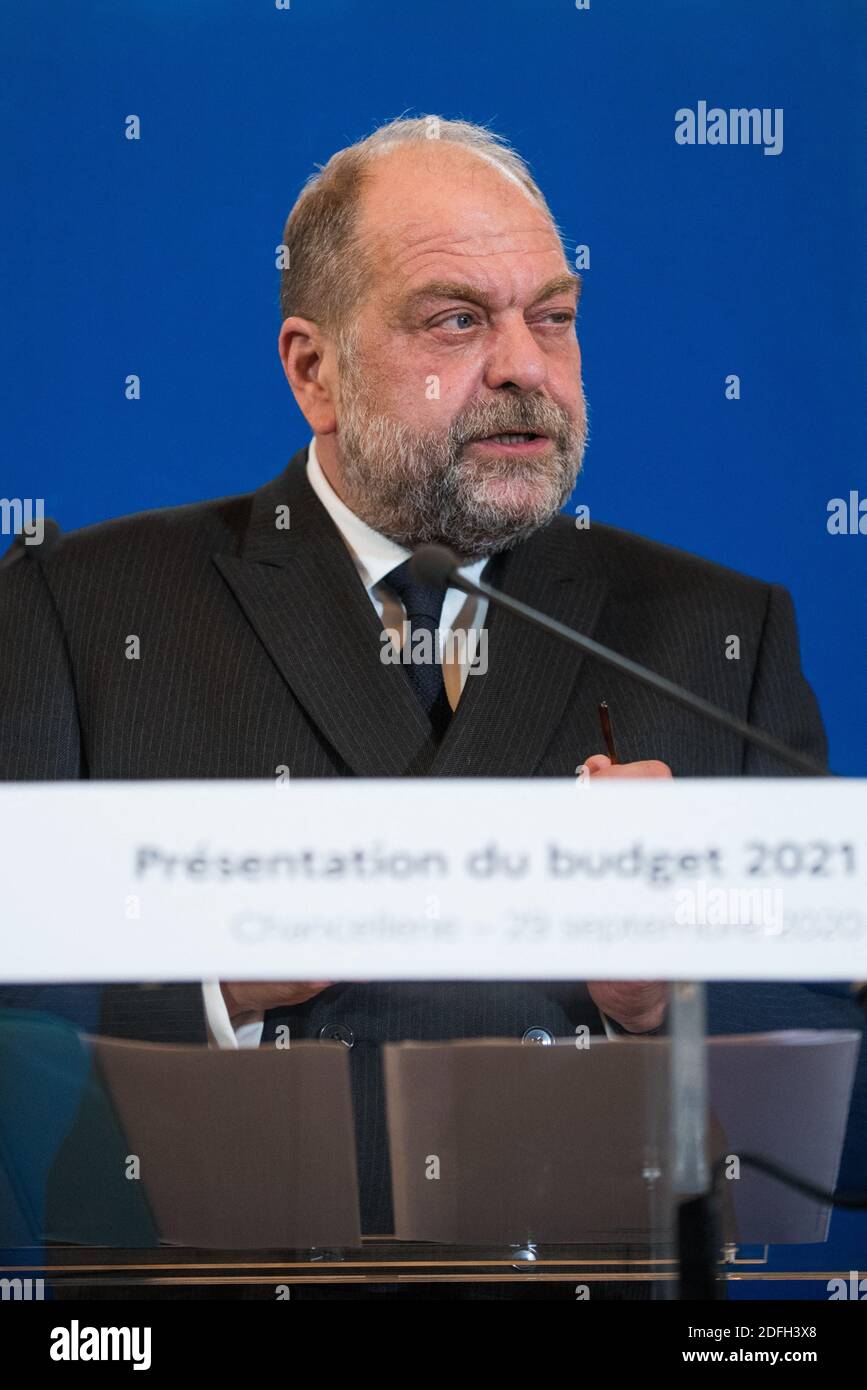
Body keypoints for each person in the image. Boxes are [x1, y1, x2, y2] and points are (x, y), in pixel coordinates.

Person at [0, 117, 838, 1241]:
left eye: (553, 318)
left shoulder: (719, 637)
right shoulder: (80, 613)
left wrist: (680, 994)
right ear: (315, 370)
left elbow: (845, 1092)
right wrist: (217, 985)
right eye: (457, 320)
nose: (524, 368)